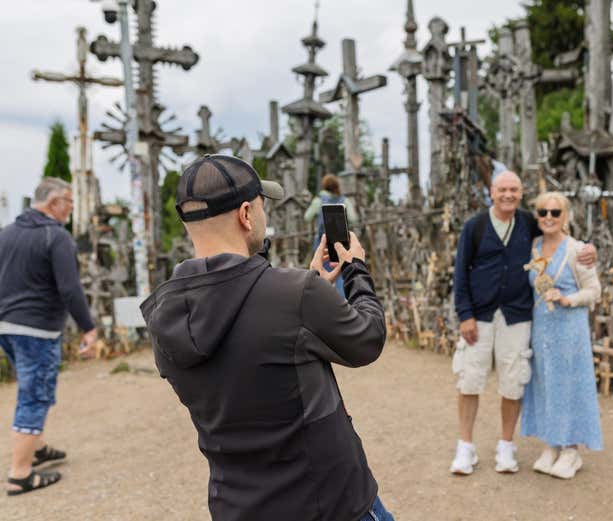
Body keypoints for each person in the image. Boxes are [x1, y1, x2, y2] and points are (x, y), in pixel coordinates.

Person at [140, 154, 394, 521]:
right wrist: (355, 269)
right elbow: (368, 339)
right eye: (262, 205)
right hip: (331, 503)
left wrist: (305, 294)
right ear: (246, 214)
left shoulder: (165, 313)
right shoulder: (295, 295)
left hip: (240, 506)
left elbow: (243, 350)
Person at [451, 171, 596, 476]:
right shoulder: (475, 226)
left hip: (517, 316)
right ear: (491, 191)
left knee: (513, 382)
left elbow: (561, 235)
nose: (507, 195)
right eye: (502, 189)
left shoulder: (528, 222)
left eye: (513, 190)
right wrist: (465, 315)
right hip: (479, 316)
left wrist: (590, 250)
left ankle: (506, 447)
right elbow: (461, 272)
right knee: (469, 380)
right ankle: (465, 448)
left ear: (520, 193)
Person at [0, 177, 97, 495]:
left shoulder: (6, 234)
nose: (71, 208)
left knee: (31, 386)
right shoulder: (56, 237)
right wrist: (88, 328)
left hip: (6, 326)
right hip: (37, 329)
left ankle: (37, 449)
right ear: (54, 202)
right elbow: (70, 289)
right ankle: (20, 474)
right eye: (69, 202)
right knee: (35, 394)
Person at [520, 191, 603, 479]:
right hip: (543, 330)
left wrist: (570, 299)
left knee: (570, 386)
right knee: (546, 385)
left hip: (570, 330)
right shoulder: (534, 246)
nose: (549, 218)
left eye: (555, 212)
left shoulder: (577, 250)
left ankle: (572, 450)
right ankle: (551, 443)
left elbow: (595, 291)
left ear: (565, 216)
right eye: (543, 212)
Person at [304, 174, 358, 296]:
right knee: (341, 272)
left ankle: (323, 301)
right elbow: (353, 218)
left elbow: (307, 217)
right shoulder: (344, 200)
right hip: (341, 243)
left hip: (323, 244)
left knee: (321, 273)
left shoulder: (318, 200)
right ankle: (343, 303)